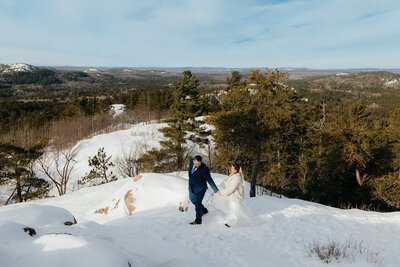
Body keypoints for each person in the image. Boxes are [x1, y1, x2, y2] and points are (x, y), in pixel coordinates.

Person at [214, 162, 251, 227]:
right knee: (233, 210)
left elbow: (231, 188)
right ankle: (233, 221)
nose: (231, 169)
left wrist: (222, 193)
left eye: (232, 168)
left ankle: (234, 223)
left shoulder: (237, 177)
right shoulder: (233, 175)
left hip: (235, 197)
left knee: (235, 211)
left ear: (236, 170)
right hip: (233, 196)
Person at [188, 155, 221, 225]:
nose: (198, 166)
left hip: (200, 189)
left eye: (199, 164)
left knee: (197, 204)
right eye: (196, 164)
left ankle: (198, 221)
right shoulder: (191, 163)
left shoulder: (204, 169)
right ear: (193, 161)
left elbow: (209, 179)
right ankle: (204, 210)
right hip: (191, 187)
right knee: (192, 200)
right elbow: (190, 173)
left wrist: (216, 190)